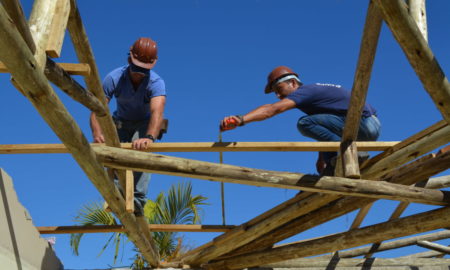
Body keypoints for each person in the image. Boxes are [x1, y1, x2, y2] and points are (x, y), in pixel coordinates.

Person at [220, 66, 381, 176]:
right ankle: (334, 165)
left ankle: (348, 154)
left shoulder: (305, 92)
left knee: (304, 123)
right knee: (312, 125)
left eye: (279, 90)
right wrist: (323, 159)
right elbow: (326, 128)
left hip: (364, 124)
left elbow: (272, 109)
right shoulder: (313, 99)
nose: (278, 96)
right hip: (363, 126)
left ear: (292, 82)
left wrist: (241, 120)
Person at [90, 37, 166, 215]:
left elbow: (157, 113)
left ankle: (137, 200)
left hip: (144, 124)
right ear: (129, 60)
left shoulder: (156, 83)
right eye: (136, 68)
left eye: (143, 70)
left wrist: (149, 137)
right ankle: (116, 194)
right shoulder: (114, 78)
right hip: (120, 122)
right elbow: (96, 107)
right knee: (113, 155)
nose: (139, 73)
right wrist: (97, 133)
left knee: (140, 154)